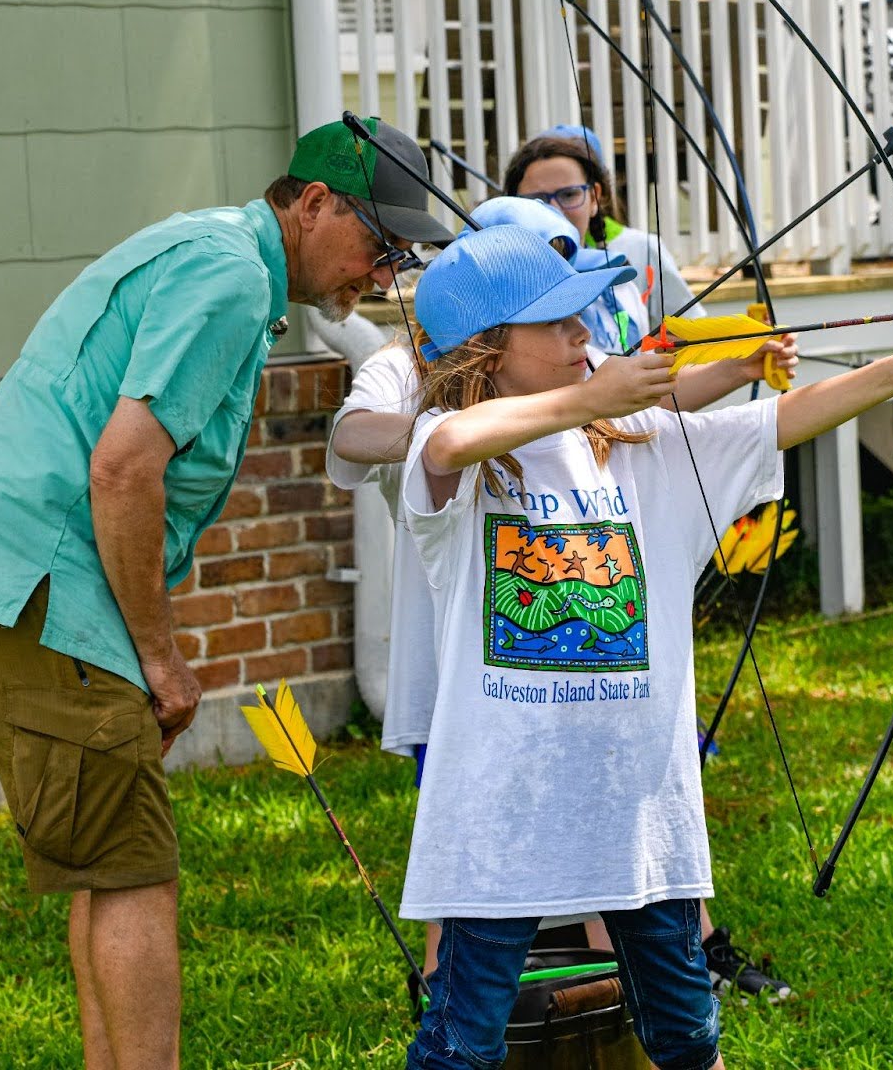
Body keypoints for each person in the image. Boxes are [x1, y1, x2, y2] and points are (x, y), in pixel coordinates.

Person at [0, 117, 454, 1070]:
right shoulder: (233, 277)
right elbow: (123, 471)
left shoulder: (213, 249)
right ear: (315, 204)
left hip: (25, 576)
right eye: (380, 243)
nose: (383, 272)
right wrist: (161, 660)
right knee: (135, 875)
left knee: (104, 867)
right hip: (48, 582)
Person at [398, 224, 893, 1068]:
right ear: (488, 348)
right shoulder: (462, 462)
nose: (582, 335)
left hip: (639, 816)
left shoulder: (644, 450)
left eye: (580, 318)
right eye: (555, 325)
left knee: (688, 1035)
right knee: (462, 1044)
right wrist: (594, 399)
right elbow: (447, 441)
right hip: (499, 819)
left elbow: (777, 421)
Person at [324, 194, 794, 988]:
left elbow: (638, 416)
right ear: (489, 318)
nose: (575, 323)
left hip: (568, 652)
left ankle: (604, 1002)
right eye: (548, 294)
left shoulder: (571, 355)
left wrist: (736, 369)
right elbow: (356, 435)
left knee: (599, 841)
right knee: (476, 850)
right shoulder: (413, 360)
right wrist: (495, 424)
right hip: (461, 647)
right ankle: (447, 993)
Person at [504, 127, 708, 329]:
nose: (555, 211)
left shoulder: (630, 270)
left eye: (569, 195)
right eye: (537, 200)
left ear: (594, 197)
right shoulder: (502, 279)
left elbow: (690, 329)